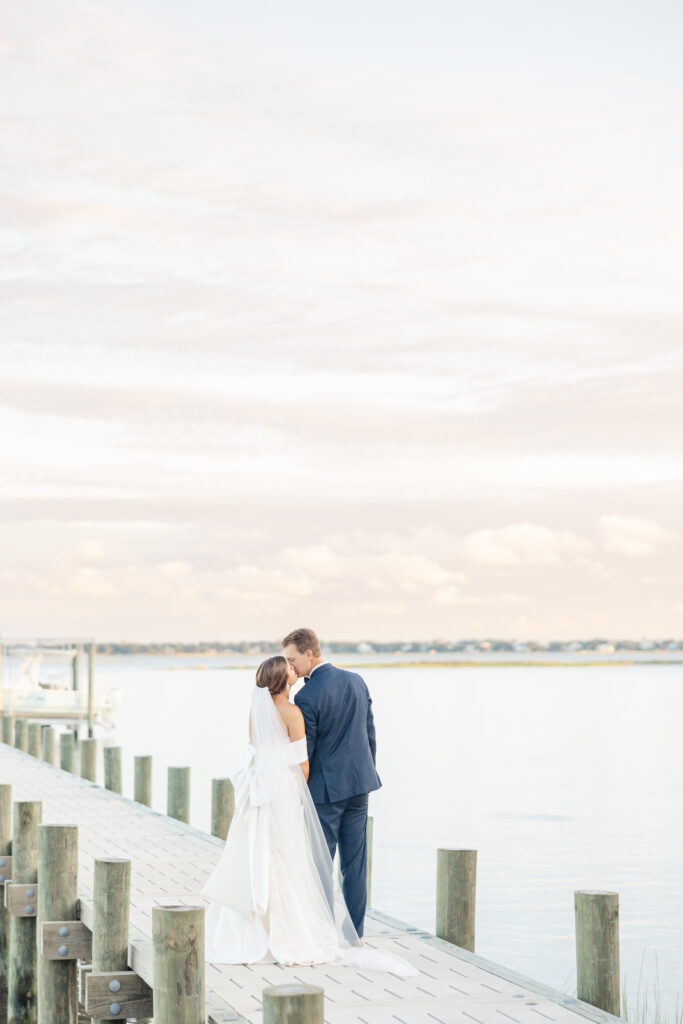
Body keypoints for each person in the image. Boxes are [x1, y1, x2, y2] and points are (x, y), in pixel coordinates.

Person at [201, 655, 414, 974]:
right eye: (288, 667)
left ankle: (254, 929)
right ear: (283, 679)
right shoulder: (293, 711)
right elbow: (302, 762)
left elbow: (255, 751)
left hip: (259, 790)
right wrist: (298, 792)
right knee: (290, 858)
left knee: (261, 853)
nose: (293, 668)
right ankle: (315, 929)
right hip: (284, 789)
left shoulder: (256, 711)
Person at [282, 627, 380, 937]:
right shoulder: (356, 680)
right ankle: (355, 935)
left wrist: (299, 792)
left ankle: (323, 932)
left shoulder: (306, 695)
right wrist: (365, 773)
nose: (290, 667)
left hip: (325, 792)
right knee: (355, 865)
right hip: (360, 784)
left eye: (292, 659)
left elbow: (306, 752)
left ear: (308, 654)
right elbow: (369, 735)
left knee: (321, 865)